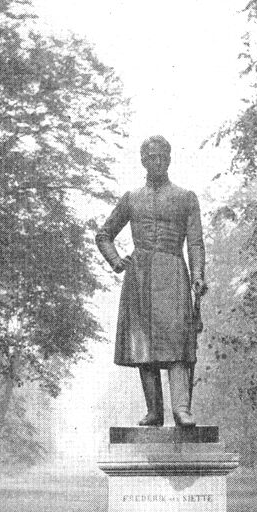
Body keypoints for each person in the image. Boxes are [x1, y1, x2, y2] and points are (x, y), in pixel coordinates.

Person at [96, 136, 207, 426]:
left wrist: (198, 276)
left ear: (169, 160)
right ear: (143, 161)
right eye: (151, 157)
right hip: (140, 274)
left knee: (178, 342)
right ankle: (154, 410)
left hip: (173, 272)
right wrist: (117, 262)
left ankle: (181, 408)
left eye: (162, 157)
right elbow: (104, 234)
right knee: (143, 345)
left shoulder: (186, 197)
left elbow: (195, 243)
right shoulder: (132, 198)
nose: (157, 162)